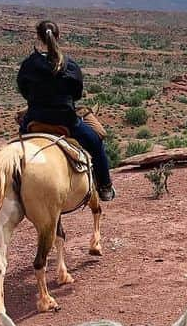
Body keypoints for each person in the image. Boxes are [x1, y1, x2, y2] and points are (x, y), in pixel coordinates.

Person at [17, 20, 116, 201]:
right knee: (95, 143)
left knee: (16, 145)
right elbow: (76, 94)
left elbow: (23, 90)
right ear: (58, 36)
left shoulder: (29, 65)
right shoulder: (69, 65)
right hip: (66, 122)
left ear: (38, 37)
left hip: (34, 119)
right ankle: (105, 186)